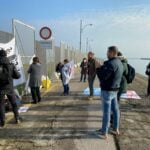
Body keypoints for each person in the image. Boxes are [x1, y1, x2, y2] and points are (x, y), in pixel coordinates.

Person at [96, 46, 123, 139]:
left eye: (107, 52)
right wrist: (103, 67)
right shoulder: (119, 62)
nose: (106, 54)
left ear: (112, 53)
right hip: (115, 90)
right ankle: (116, 128)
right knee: (115, 110)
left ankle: (104, 132)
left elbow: (103, 77)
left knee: (106, 112)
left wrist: (98, 68)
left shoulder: (111, 64)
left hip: (107, 91)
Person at [0, 49, 21, 127]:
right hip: (10, 88)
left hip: (0, 89)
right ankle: (17, 118)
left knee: (1, 105)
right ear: (6, 55)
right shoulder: (11, 65)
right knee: (14, 103)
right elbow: (18, 76)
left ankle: (2, 122)